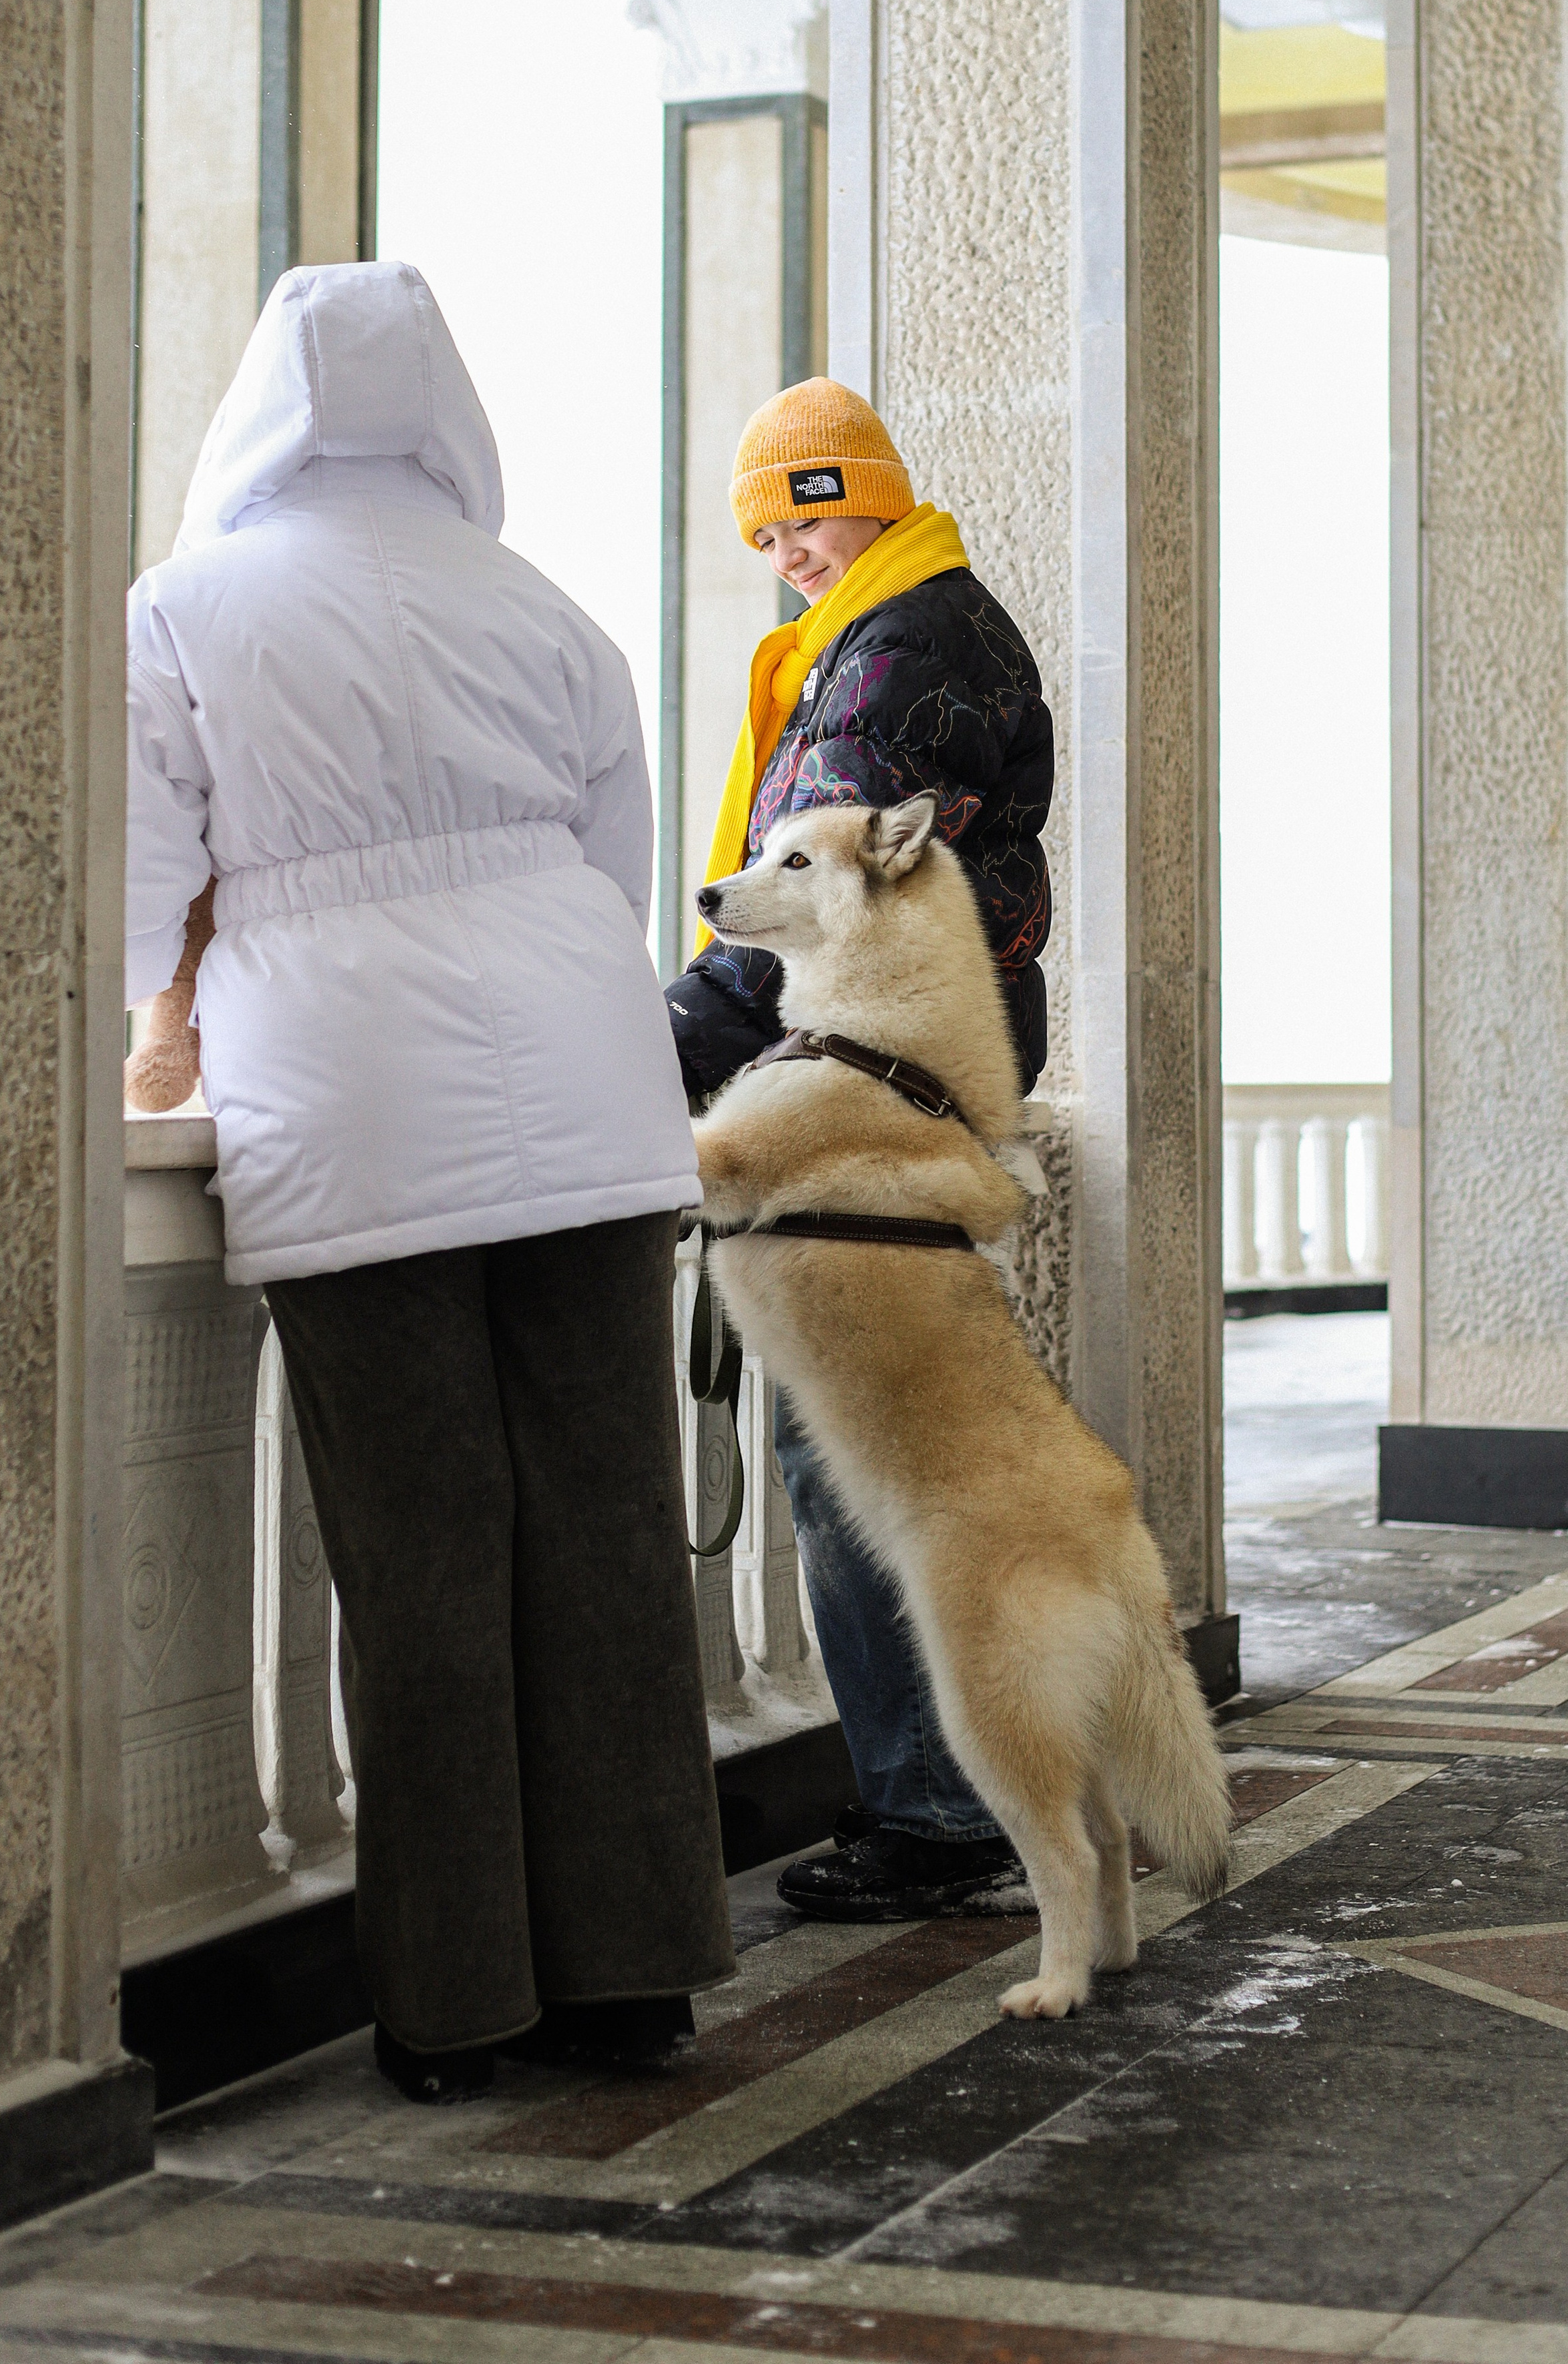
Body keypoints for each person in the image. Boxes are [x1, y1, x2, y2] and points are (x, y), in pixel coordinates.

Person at [127, 261, 733, 2101]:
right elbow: (617, 869)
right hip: (590, 1100)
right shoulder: (542, 607)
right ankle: (633, 1980)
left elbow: (139, 878)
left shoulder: (187, 611)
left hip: (351, 1106)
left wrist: (150, 1035)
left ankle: (460, 2007)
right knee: (612, 1535)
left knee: (423, 1556)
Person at [664, 377, 1054, 1922]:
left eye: (802, 511)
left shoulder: (898, 652)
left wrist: (647, 1059)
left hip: (874, 1077)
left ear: (865, 494)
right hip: (913, 1064)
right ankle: (962, 1778)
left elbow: (798, 910)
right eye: (763, 526)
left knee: (848, 1445)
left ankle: (933, 1800)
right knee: (900, 1431)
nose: (783, 551)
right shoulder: (915, 625)